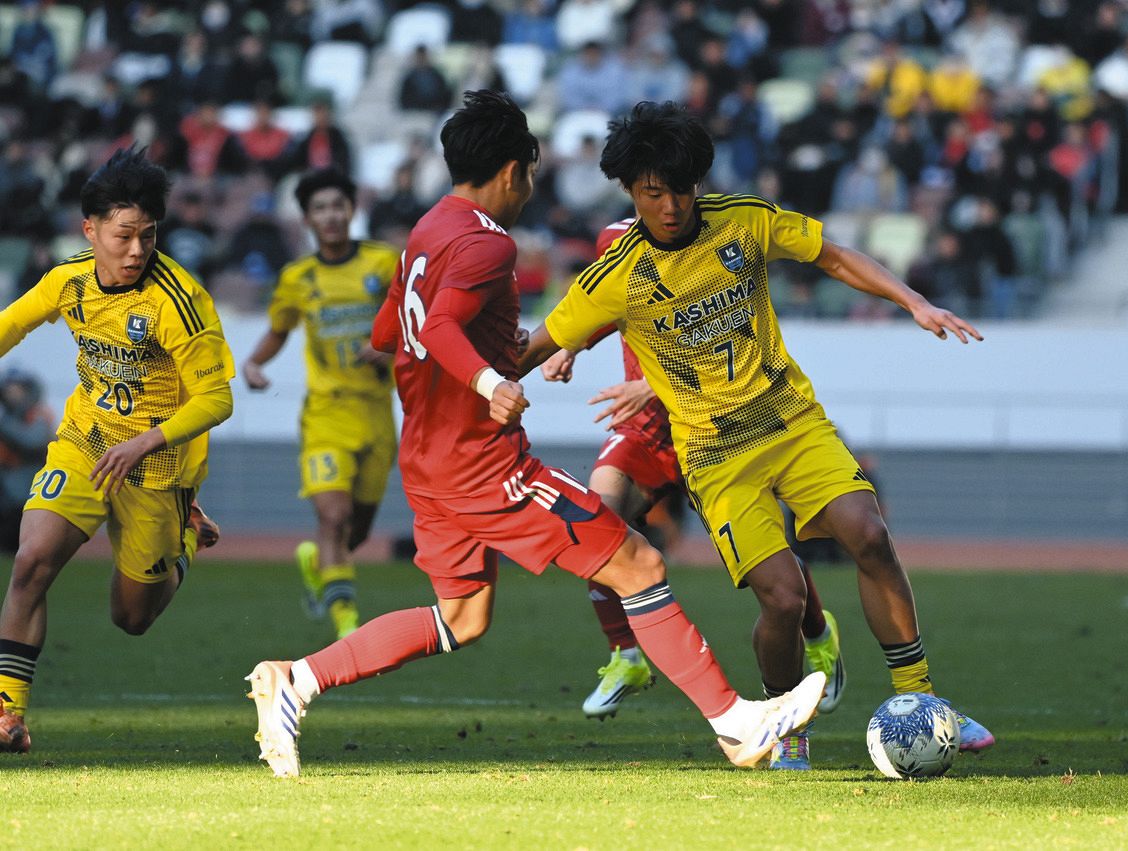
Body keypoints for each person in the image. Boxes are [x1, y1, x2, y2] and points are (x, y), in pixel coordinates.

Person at [246, 91, 825, 778]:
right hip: (485, 465)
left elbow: (390, 331)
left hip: (427, 459)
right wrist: (490, 383)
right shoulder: (490, 243)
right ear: (515, 169)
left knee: (460, 618)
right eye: (531, 172)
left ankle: (296, 678)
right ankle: (737, 724)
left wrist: (477, 357)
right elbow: (436, 331)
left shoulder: (428, 229)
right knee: (638, 564)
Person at [518, 101, 996, 762]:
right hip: (716, 457)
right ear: (631, 192)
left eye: (682, 189)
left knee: (870, 532)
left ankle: (924, 695)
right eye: (654, 193)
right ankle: (785, 726)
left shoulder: (742, 220)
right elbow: (533, 343)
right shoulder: (616, 274)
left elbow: (831, 253)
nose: (672, 205)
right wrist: (456, 364)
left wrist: (913, 300)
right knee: (783, 595)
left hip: (792, 422)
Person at [542, 218, 846, 771]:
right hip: (649, 431)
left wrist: (646, 383)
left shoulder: (717, 235)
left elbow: (722, 333)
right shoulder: (615, 242)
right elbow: (605, 306)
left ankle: (819, 635)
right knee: (594, 520)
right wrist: (570, 346)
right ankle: (626, 654)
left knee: (772, 574)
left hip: (717, 428)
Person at [0, 148, 235, 753]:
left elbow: (216, 400)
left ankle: (185, 533)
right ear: (91, 230)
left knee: (131, 618)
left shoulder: (179, 302)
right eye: (124, 235)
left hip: (156, 465)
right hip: (85, 442)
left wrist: (147, 441)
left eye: (148, 235)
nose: (136, 250)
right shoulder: (70, 280)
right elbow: (11, 324)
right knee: (31, 561)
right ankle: (7, 713)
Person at [243, 168, 399, 639]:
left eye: (338, 206)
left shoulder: (385, 264)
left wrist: (389, 344)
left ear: (352, 210)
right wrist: (254, 363)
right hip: (326, 414)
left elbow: (419, 320)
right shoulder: (297, 278)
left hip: (376, 414)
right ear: (308, 219)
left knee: (356, 532)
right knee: (333, 516)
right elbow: (278, 329)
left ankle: (317, 563)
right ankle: (346, 622)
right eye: (320, 209)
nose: (330, 216)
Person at [0, 370, 54, 552]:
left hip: (31, 485)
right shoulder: (8, 417)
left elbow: (34, 440)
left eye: (18, 389)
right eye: (9, 389)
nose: (12, 394)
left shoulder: (38, 416)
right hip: (8, 489)